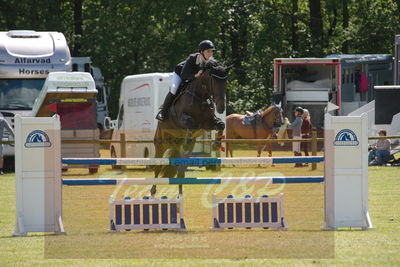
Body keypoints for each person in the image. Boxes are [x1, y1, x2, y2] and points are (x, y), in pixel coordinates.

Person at [156, 40, 216, 121]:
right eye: (208, 51)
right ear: (202, 52)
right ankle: (163, 113)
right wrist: (196, 75)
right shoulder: (192, 58)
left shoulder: (212, 61)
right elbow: (184, 75)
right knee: (174, 89)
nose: (210, 54)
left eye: (212, 51)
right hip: (180, 74)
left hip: (194, 79)